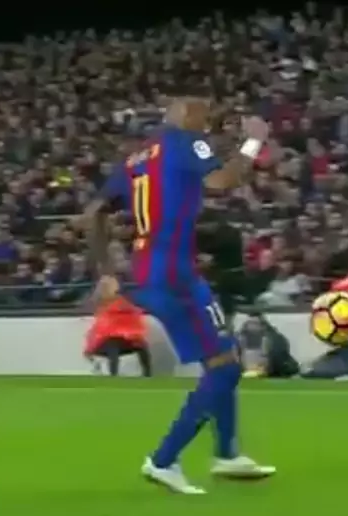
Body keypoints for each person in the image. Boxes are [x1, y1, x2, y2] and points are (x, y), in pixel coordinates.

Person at [85, 95, 275, 494]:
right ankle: (163, 460)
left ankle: (227, 453)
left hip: (151, 270)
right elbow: (220, 182)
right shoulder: (186, 141)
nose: (207, 124)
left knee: (224, 357)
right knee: (224, 368)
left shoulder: (136, 158)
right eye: (204, 115)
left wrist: (105, 272)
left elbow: (93, 212)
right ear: (186, 115)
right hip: (175, 274)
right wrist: (253, 142)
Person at [84, 275, 151, 377]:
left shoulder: (122, 301)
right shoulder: (99, 304)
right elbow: (103, 324)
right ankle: (114, 375)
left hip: (123, 339)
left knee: (141, 344)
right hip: (102, 342)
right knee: (112, 343)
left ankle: (148, 375)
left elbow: (132, 313)